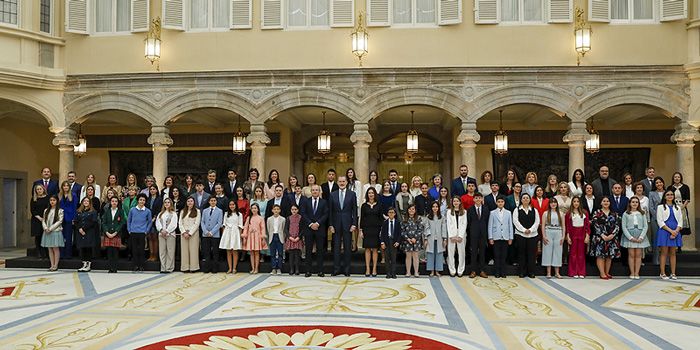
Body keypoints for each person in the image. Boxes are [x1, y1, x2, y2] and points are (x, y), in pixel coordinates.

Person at [329, 176, 358, 277]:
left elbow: (354, 210)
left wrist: (354, 224)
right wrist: (331, 225)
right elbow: (330, 211)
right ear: (337, 182)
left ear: (346, 182)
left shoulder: (352, 194)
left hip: (348, 224)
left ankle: (347, 269)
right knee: (336, 248)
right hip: (336, 225)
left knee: (347, 248)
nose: (342, 183)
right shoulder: (332, 195)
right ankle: (336, 269)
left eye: (343, 181)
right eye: (340, 181)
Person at [590, 196, 621, 280]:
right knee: (600, 256)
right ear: (601, 203)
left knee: (609, 256)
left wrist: (612, 235)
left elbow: (617, 225)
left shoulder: (615, 213)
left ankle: (607, 272)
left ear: (610, 203)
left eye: (607, 201)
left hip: (612, 238)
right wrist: (602, 235)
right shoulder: (597, 212)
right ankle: (602, 273)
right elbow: (595, 224)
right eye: (604, 201)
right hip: (600, 238)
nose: (606, 202)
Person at [301, 184, 328, 277]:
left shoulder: (324, 202)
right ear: (311, 191)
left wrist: (317, 223)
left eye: (317, 190)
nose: (315, 191)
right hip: (309, 229)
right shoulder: (306, 202)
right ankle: (308, 271)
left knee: (320, 251)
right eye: (313, 190)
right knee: (308, 250)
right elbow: (303, 213)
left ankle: (320, 270)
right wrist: (311, 224)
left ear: (319, 191)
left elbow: (325, 214)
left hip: (319, 229)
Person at [657, 190, 683, 280]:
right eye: (668, 195)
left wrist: (676, 231)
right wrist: (671, 231)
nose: (670, 196)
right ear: (664, 197)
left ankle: (673, 273)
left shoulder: (678, 208)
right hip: (665, 230)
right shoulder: (660, 207)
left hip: (675, 231)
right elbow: (660, 221)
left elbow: (680, 221)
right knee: (664, 252)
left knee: (673, 253)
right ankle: (662, 273)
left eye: (671, 194)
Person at [622, 197, 649, 280]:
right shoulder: (626, 213)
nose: (634, 203)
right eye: (633, 202)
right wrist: (630, 237)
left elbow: (645, 226)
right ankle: (632, 272)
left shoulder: (642, 213)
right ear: (630, 203)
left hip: (640, 234)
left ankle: (637, 272)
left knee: (638, 255)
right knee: (631, 255)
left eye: (636, 202)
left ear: (638, 204)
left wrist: (641, 237)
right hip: (630, 235)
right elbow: (624, 226)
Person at [513, 193, 540, 278]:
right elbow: (515, 221)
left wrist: (531, 230)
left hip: (533, 235)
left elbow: (537, 222)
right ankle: (521, 272)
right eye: (523, 198)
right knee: (521, 254)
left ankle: (531, 272)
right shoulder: (516, 210)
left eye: (527, 198)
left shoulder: (534, 210)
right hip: (520, 235)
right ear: (521, 200)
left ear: (529, 200)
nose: (525, 199)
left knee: (531, 254)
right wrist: (524, 230)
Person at [488, 196, 513, 278]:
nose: (500, 203)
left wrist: (510, 237)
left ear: (504, 203)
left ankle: (503, 272)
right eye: (498, 202)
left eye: (502, 202)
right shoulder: (492, 213)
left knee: (504, 255)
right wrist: (490, 237)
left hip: (505, 237)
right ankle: (497, 272)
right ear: (496, 203)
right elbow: (490, 226)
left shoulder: (508, 213)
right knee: (496, 255)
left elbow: (510, 226)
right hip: (496, 237)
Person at [360, 187, 382, 277]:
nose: (371, 194)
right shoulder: (364, 206)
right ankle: (368, 269)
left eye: (372, 193)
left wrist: (381, 230)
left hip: (376, 229)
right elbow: (362, 218)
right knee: (367, 249)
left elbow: (381, 219)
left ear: (375, 194)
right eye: (369, 193)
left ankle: (374, 269)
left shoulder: (379, 205)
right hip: (366, 229)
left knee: (375, 249)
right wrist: (361, 230)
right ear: (367, 195)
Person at [566, 197, 590, 278]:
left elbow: (587, 225)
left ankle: (581, 272)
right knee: (573, 254)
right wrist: (568, 236)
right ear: (572, 203)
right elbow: (567, 226)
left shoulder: (584, 213)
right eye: (574, 201)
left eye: (577, 201)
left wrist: (587, 235)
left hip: (582, 234)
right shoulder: (569, 213)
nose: (576, 203)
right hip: (573, 234)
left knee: (581, 254)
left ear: (580, 203)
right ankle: (573, 272)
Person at [541, 199, 565, 279]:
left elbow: (563, 226)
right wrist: (544, 236)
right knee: (547, 251)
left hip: (558, 232)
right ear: (549, 204)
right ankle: (548, 272)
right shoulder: (545, 213)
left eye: (555, 202)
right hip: (548, 231)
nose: (553, 204)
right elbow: (543, 225)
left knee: (558, 252)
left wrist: (563, 236)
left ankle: (557, 272)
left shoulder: (561, 213)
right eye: (551, 203)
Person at [127, 193, 152, 272]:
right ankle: (135, 266)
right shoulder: (132, 210)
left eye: (143, 200)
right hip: (133, 232)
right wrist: (129, 230)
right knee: (134, 249)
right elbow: (129, 220)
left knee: (141, 250)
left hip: (142, 232)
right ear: (137, 200)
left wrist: (146, 231)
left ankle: (141, 266)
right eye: (140, 200)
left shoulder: (147, 211)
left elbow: (150, 222)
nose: (142, 201)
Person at [467, 193, 490, 278]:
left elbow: (487, 221)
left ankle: (482, 270)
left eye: (479, 198)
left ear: (482, 199)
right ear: (473, 199)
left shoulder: (486, 209)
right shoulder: (470, 209)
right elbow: (469, 222)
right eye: (476, 198)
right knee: (473, 252)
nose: (478, 199)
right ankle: (473, 271)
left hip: (483, 234)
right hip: (473, 234)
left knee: (482, 252)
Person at [74, 197, 98, 272]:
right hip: (80, 232)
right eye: (84, 201)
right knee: (83, 248)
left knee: (88, 248)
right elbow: (76, 221)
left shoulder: (93, 212)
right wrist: (79, 229)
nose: (86, 202)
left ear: (90, 203)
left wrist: (84, 229)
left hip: (89, 232)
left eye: (87, 201)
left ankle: (88, 265)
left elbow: (93, 222)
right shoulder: (78, 211)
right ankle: (84, 264)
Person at [220, 199, 244, 274]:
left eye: (233, 204)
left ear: (235, 205)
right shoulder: (226, 213)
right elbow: (223, 225)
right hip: (227, 232)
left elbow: (240, 226)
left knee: (234, 250)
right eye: (230, 205)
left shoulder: (239, 214)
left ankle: (234, 268)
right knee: (228, 250)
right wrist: (224, 236)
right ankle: (230, 268)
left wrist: (239, 236)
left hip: (235, 232)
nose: (231, 206)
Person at [155, 197, 178, 273]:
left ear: (171, 204)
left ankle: (169, 268)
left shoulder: (173, 214)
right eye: (165, 202)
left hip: (170, 234)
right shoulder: (160, 214)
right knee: (162, 251)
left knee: (170, 251)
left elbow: (174, 224)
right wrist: (161, 230)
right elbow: (157, 223)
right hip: (161, 234)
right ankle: (163, 267)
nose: (167, 204)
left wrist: (167, 231)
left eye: (168, 202)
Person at [200, 196, 223, 273]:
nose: (213, 202)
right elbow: (202, 222)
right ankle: (207, 268)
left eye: (214, 200)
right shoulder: (205, 211)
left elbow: (219, 223)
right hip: (205, 234)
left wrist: (212, 232)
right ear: (209, 202)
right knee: (207, 252)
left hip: (215, 234)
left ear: (216, 202)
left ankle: (215, 268)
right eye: (211, 200)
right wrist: (206, 231)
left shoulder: (220, 211)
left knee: (215, 252)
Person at [41, 195, 64, 271]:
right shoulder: (46, 210)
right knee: (49, 249)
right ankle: (51, 264)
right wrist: (45, 228)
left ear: (57, 201)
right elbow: (43, 220)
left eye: (54, 200)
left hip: (55, 231)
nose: (52, 202)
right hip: (47, 231)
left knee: (55, 248)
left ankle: (55, 265)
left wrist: (50, 228)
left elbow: (59, 221)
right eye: (51, 200)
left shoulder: (60, 211)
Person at [667, 172, 691, 246]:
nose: (677, 178)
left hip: (682, 208)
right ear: (673, 178)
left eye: (678, 177)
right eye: (675, 177)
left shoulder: (685, 187)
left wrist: (682, 207)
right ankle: (674, 244)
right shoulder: (670, 187)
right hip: (672, 208)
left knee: (681, 227)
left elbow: (687, 199)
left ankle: (679, 245)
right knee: (674, 225)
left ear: (680, 178)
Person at [446, 196, 467, 277]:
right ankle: (452, 270)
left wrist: (460, 236)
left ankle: (460, 269)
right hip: (451, 234)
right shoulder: (449, 212)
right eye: (454, 201)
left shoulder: (464, 212)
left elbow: (464, 224)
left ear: (460, 202)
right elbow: (448, 224)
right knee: (450, 253)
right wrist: (451, 236)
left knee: (461, 252)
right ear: (452, 202)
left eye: (457, 201)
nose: (455, 203)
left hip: (461, 234)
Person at [243, 203, 267, 274]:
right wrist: (245, 235)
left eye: (255, 208)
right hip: (250, 236)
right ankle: (252, 268)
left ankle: (256, 268)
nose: (254, 209)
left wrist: (262, 236)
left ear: (258, 209)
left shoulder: (261, 218)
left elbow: (263, 228)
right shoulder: (248, 218)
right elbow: (245, 227)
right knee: (251, 253)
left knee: (256, 252)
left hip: (257, 237)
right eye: (252, 208)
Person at [101, 196, 124, 273]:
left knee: (115, 252)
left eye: (116, 201)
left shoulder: (120, 211)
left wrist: (115, 232)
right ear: (110, 202)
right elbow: (104, 223)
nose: (114, 203)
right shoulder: (107, 211)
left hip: (116, 234)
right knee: (109, 252)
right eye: (113, 201)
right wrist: (107, 232)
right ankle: (110, 268)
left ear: (118, 203)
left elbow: (121, 223)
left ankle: (115, 268)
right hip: (108, 234)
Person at [424, 201, 447, 277]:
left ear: (438, 208)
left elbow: (444, 228)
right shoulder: (428, 217)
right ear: (431, 208)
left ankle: (437, 271)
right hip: (431, 238)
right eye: (433, 206)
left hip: (439, 239)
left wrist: (444, 239)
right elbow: (426, 228)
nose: (435, 208)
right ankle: (431, 270)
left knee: (439, 254)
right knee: (430, 254)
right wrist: (426, 238)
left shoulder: (442, 217)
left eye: (436, 207)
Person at [179, 197, 201, 273]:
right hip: (184, 234)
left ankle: (193, 267)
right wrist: (184, 232)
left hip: (193, 234)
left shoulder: (197, 211)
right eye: (188, 201)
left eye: (191, 201)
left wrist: (190, 233)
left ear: (194, 202)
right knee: (184, 251)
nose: (190, 202)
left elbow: (197, 223)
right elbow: (180, 223)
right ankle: (185, 267)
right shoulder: (182, 211)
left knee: (193, 250)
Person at [401, 205, 424, 278]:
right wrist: (407, 238)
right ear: (407, 210)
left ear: (415, 210)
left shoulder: (418, 219)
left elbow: (420, 230)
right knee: (408, 256)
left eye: (413, 209)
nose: (411, 210)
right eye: (410, 209)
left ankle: (416, 272)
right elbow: (402, 230)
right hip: (407, 241)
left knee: (415, 256)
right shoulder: (404, 219)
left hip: (416, 241)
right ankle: (408, 272)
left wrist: (415, 238)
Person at [648, 177, 665, 265]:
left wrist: (664, 218)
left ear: (663, 183)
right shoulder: (651, 193)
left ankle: (666, 260)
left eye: (660, 182)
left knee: (665, 240)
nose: (659, 184)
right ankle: (656, 260)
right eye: (657, 183)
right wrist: (658, 218)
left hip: (666, 220)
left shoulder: (667, 193)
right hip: (655, 220)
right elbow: (651, 207)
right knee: (656, 239)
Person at [284, 204, 305, 275]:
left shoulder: (300, 218)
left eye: (295, 209)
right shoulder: (288, 218)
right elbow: (286, 229)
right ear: (290, 210)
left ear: (298, 210)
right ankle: (291, 269)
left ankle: (297, 269)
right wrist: (290, 237)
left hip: (297, 238)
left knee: (297, 254)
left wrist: (298, 237)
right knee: (291, 255)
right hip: (291, 239)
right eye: (292, 209)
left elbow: (302, 229)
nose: (294, 211)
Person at [380, 207, 401, 279]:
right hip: (387, 241)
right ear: (387, 214)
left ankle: (393, 273)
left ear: (395, 214)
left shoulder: (397, 222)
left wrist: (398, 242)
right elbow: (382, 233)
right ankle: (388, 273)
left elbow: (399, 233)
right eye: (389, 212)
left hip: (394, 242)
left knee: (393, 258)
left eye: (392, 212)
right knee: (387, 258)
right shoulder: (385, 222)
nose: (391, 214)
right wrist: (382, 242)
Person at [58, 181, 76, 259]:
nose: (65, 187)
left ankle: (68, 254)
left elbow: (74, 207)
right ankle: (61, 254)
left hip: (69, 218)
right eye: (64, 186)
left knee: (68, 237)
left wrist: (74, 218)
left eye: (67, 186)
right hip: (60, 218)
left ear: (69, 187)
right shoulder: (58, 195)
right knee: (61, 236)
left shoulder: (73, 195)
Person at [31, 184, 50, 259]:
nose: (39, 190)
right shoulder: (34, 199)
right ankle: (38, 252)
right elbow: (32, 210)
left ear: (43, 189)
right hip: (36, 220)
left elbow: (49, 207)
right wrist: (39, 218)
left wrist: (45, 218)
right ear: (36, 191)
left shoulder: (48, 198)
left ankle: (46, 253)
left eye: (40, 189)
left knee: (45, 236)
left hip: (46, 219)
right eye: (37, 189)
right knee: (38, 236)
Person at [267, 204, 286, 275]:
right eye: (274, 209)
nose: (276, 210)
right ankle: (273, 268)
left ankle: (279, 268)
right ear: (272, 210)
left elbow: (283, 229)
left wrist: (282, 236)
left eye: (278, 209)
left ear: (280, 210)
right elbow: (268, 229)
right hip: (272, 236)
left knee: (280, 253)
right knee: (273, 254)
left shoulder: (283, 219)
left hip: (279, 236)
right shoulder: (269, 219)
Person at [146, 185, 163, 262]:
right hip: (148, 221)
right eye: (151, 189)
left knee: (155, 238)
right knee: (149, 238)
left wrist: (154, 218)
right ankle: (151, 254)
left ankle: (155, 255)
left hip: (156, 220)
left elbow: (159, 210)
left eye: (154, 189)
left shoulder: (159, 199)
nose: (152, 190)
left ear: (156, 190)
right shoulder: (148, 199)